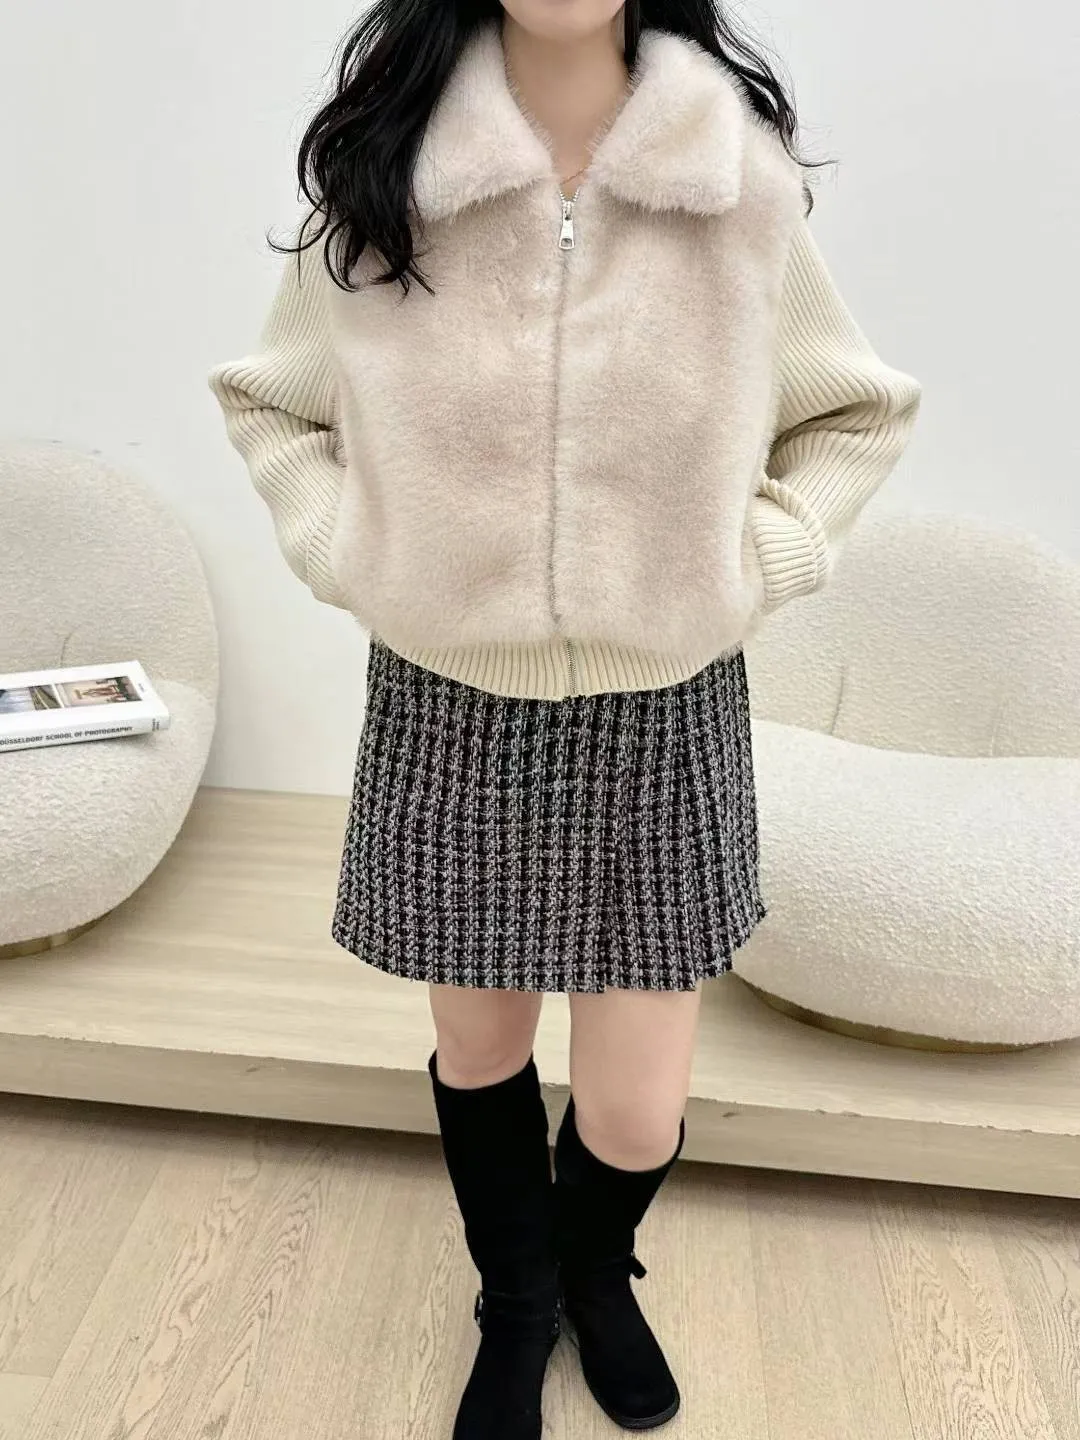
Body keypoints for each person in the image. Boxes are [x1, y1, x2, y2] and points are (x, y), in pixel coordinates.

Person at [208, 1, 921, 1435]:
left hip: (664, 712)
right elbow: (274, 402)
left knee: (636, 1108)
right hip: (450, 704)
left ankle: (598, 1272)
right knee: (480, 1051)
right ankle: (519, 1299)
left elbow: (855, 412)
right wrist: (352, 552)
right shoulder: (388, 171)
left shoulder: (731, 178)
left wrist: (760, 560)